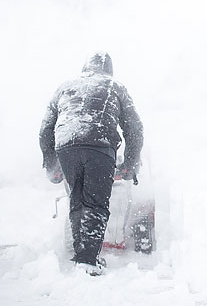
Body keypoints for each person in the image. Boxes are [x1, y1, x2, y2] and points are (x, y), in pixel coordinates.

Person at [39, 52, 143, 275]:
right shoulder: (115, 87)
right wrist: (130, 165)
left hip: (66, 146)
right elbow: (134, 129)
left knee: (77, 202)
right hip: (99, 145)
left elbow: (45, 130)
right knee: (95, 203)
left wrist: (52, 165)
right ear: (109, 70)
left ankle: (82, 258)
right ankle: (88, 262)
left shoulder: (65, 87)